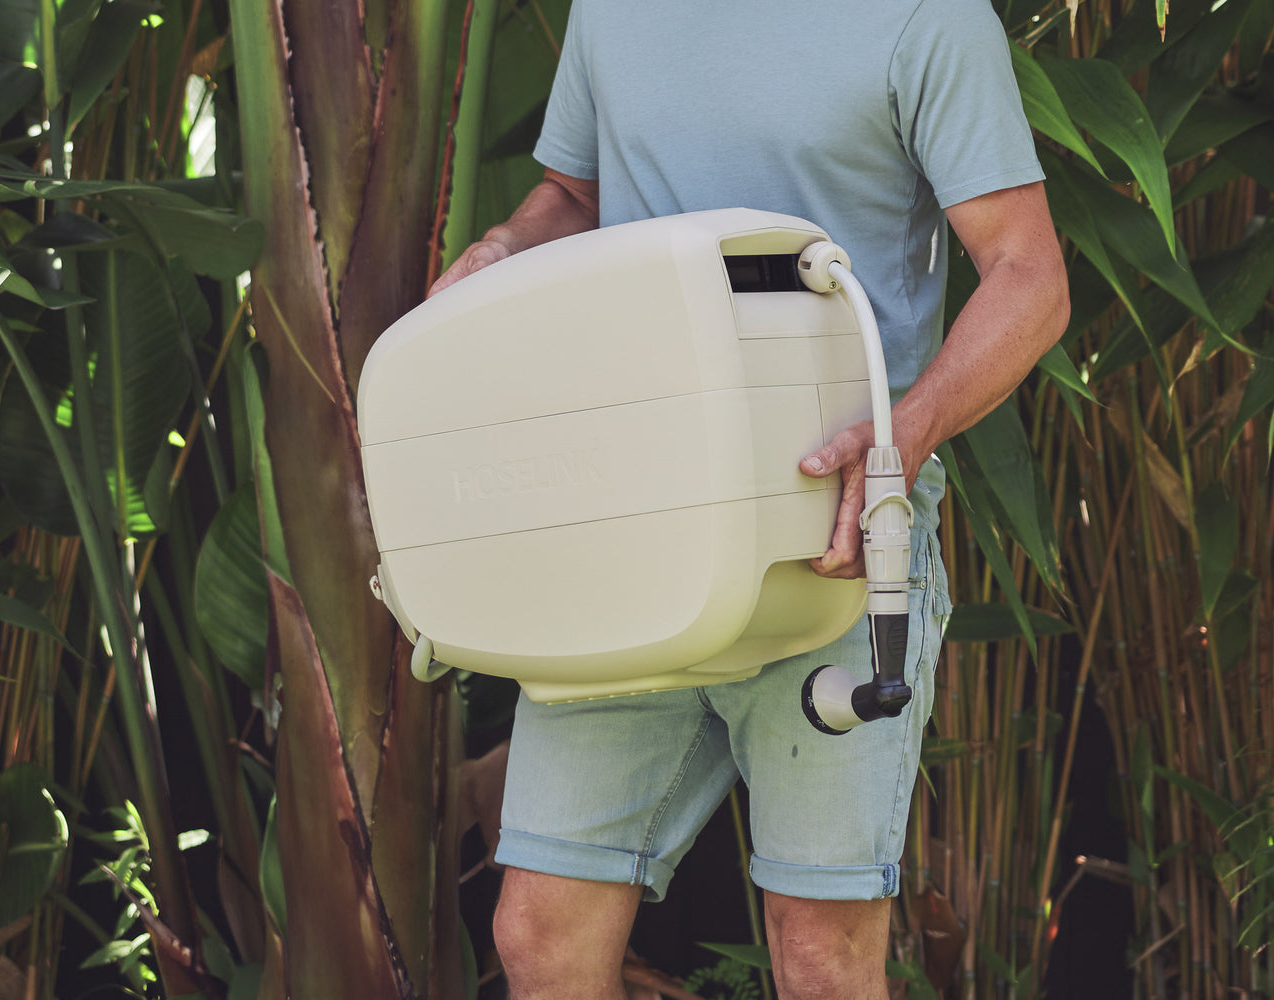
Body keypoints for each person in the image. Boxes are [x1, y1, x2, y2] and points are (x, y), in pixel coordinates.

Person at [429, 2, 1070, 997]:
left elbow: (1032, 277)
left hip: (833, 535)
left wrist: (906, 433)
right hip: (633, 526)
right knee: (540, 932)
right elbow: (572, 190)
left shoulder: (929, 19)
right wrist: (509, 247)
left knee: (822, 956)